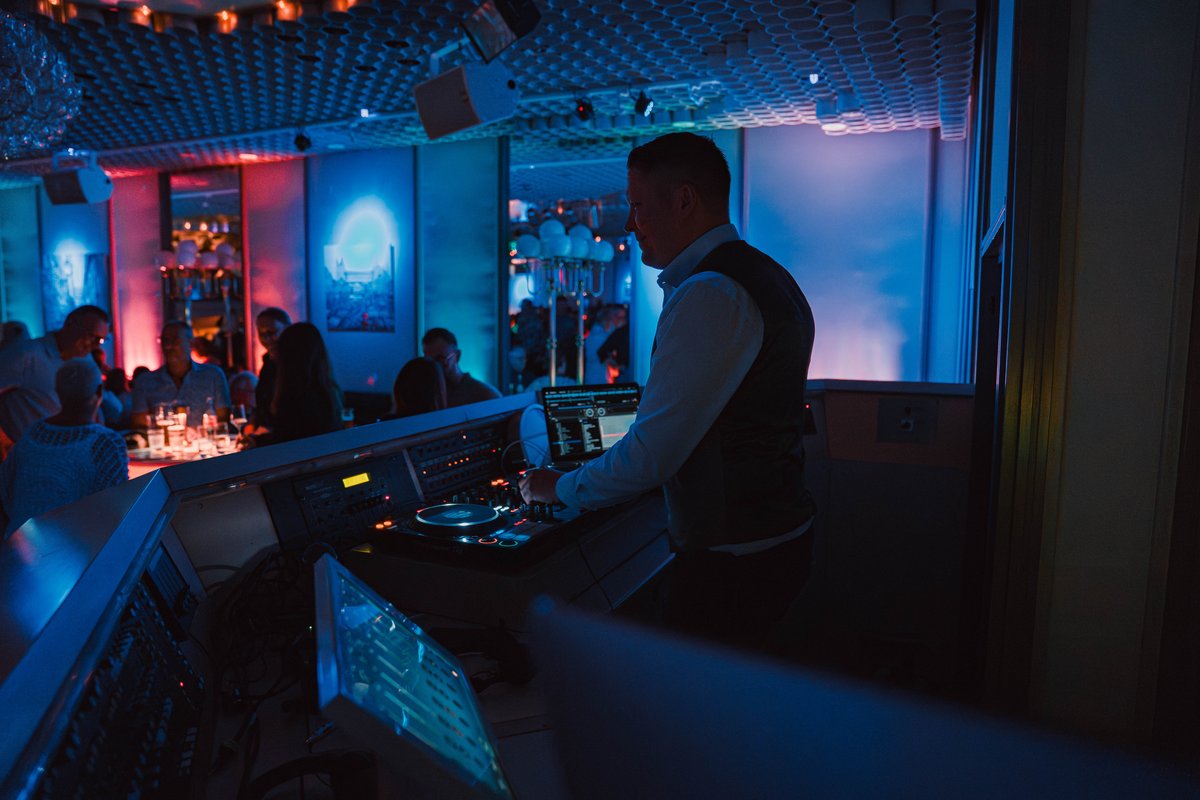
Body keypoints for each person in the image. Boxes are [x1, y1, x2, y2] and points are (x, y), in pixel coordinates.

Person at [519, 132, 817, 653]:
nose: (629, 225)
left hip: (732, 559)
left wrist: (558, 488)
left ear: (683, 200)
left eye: (637, 206)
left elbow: (651, 456)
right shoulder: (768, 275)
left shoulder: (711, 293)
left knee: (689, 699)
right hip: (776, 536)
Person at [0, 358, 128, 538]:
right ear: (100, 390)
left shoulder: (33, 433)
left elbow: (6, 490)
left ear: (58, 391)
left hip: (20, 543)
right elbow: (117, 510)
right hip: (76, 547)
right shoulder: (106, 443)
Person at [0, 305, 110, 454]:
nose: (96, 346)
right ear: (70, 324)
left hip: (70, 455)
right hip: (30, 457)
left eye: (101, 340)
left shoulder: (86, 359)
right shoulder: (25, 355)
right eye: (91, 336)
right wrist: (5, 443)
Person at [249, 322, 343, 446]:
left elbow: (290, 443)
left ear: (288, 357)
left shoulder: (296, 398)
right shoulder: (327, 390)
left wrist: (256, 441)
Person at [131, 320, 231, 429]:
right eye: (165, 341)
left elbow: (223, 420)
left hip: (204, 439)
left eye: (175, 341)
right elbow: (140, 425)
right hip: (163, 440)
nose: (168, 347)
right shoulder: (145, 382)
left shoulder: (212, 376)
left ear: (191, 344)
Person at [421, 328, 501, 407]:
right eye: (428, 361)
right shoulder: (426, 394)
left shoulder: (486, 396)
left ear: (457, 356)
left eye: (440, 359)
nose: (434, 366)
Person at [252, 307, 291, 432]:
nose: (266, 338)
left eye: (272, 332)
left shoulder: (295, 363)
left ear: (288, 329)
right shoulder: (267, 362)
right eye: (261, 334)